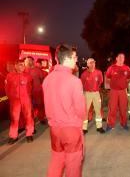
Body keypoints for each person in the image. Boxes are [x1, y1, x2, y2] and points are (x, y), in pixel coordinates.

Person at [43, 44, 85, 177]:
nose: (76, 59)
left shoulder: (48, 79)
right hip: (70, 129)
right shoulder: (74, 81)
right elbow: (80, 109)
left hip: (54, 129)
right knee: (73, 166)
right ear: (66, 59)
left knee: (56, 160)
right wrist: (78, 122)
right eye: (74, 57)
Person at [5, 60, 34, 144]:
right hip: (15, 100)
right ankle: (13, 136)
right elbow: (7, 88)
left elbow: (30, 87)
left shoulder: (28, 76)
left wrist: (28, 96)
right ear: (16, 66)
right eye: (19, 65)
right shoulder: (10, 76)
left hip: (26, 99)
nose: (21, 67)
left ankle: (29, 134)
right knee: (14, 118)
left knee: (28, 116)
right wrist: (11, 98)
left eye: (22, 65)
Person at [106, 53, 130, 131]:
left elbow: (129, 78)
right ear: (116, 58)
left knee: (123, 108)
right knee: (112, 108)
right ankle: (110, 125)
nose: (121, 59)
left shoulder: (127, 68)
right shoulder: (111, 68)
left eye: (123, 57)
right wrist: (114, 83)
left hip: (123, 91)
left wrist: (123, 83)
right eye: (120, 57)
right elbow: (107, 78)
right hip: (114, 91)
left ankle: (124, 124)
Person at [80, 58, 105, 134]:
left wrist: (97, 91)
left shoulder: (99, 72)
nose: (92, 64)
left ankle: (99, 126)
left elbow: (100, 82)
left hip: (96, 93)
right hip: (87, 94)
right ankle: (84, 128)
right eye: (90, 63)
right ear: (87, 64)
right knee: (85, 111)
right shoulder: (84, 74)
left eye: (93, 62)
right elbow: (81, 84)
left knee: (98, 110)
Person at [24, 56, 46, 123]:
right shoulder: (25, 69)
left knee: (40, 105)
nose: (28, 62)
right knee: (29, 106)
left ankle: (41, 118)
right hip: (27, 91)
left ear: (33, 61)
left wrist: (39, 86)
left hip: (37, 90)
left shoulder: (37, 70)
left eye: (29, 60)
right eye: (27, 61)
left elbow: (42, 79)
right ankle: (31, 119)